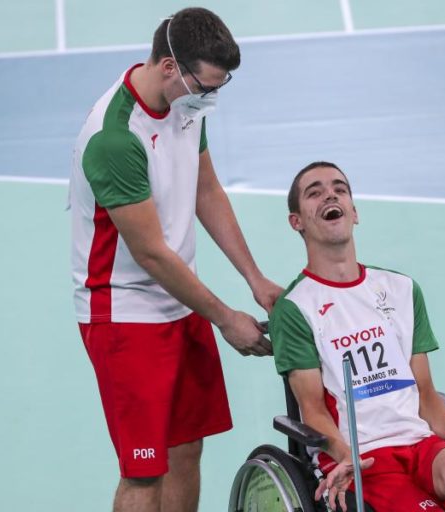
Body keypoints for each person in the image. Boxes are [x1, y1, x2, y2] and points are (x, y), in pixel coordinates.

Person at [69, 8, 282, 512]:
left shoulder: (183, 103)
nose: (211, 99)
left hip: (181, 300)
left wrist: (254, 278)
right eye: (206, 87)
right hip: (126, 315)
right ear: (170, 67)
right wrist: (225, 318)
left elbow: (205, 190)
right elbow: (151, 254)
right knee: (144, 472)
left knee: (187, 449)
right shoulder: (116, 138)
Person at [269, 162, 445, 512]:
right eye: (315, 192)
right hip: (360, 455)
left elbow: (425, 392)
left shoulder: (401, 289)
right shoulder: (295, 307)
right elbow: (312, 409)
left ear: (354, 212)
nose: (330, 195)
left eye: (340, 189)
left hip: (419, 443)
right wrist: (346, 456)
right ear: (296, 221)